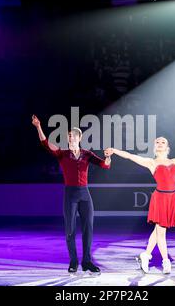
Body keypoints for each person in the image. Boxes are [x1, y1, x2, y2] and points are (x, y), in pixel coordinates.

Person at [105, 138, 175, 274]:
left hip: (171, 198)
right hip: (160, 198)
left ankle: (146, 255)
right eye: (157, 142)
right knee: (161, 231)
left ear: (167, 147)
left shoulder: (174, 162)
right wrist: (115, 151)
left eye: (162, 142)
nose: (159, 144)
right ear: (154, 146)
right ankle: (166, 261)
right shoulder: (151, 163)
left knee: (158, 231)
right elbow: (130, 156)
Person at [32, 115, 112, 274]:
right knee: (70, 229)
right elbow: (45, 143)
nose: (70, 138)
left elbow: (104, 165)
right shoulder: (62, 153)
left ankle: (87, 262)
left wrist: (108, 156)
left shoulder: (87, 154)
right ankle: (74, 261)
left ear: (79, 138)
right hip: (70, 194)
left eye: (73, 135)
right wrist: (38, 126)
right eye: (68, 136)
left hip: (84, 194)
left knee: (88, 227)